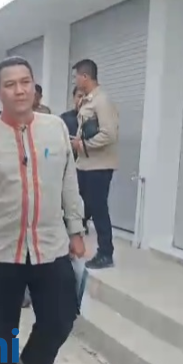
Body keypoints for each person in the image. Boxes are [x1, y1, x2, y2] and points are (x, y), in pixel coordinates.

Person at [0, 56, 85, 364]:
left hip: (50, 245)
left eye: (25, 82)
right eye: (10, 84)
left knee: (62, 316)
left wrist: (75, 229)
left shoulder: (55, 128)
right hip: (0, 250)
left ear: (34, 87)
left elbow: (68, 181)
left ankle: (32, 362)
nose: (19, 90)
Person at [71, 59, 119, 269]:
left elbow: (109, 134)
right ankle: (74, 244)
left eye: (76, 76)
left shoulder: (102, 101)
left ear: (85, 77)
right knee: (81, 207)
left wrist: (83, 145)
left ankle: (105, 253)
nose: (75, 80)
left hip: (99, 166)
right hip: (85, 164)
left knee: (98, 209)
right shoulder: (88, 100)